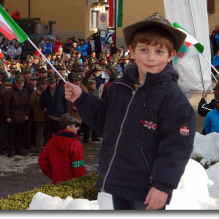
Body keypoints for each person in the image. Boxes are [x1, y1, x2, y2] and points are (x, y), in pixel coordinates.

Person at [65, 12, 195, 210]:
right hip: (118, 182)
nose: (151, 57)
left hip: (148, 188)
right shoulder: (120, 88)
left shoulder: (173, 99)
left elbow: (176, 148)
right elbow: (103, 120)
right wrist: (81, 99)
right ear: (132, 52)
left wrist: (163, 186)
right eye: (144, 50)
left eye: (159, 52)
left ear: (171, 55)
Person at [38, 113, 86, 185]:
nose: (78, 128)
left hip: (56, 184)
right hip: (72, 185)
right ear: (68, 127)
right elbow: (78, 167)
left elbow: (42, 161)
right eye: (76, 126)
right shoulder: (76, 144)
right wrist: (83, 183)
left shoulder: (51, 142)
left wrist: (53, 175)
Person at [4, 75, 30, 157]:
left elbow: (27, 104)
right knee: (11, 134)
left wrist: (26, 114)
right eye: (18, 83)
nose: (20, 85)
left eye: (21, 83)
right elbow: (6, 105)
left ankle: (19, 148)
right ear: (15, 83)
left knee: (19, 133)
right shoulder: (10, 92)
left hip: (21, 115)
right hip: (12, 115)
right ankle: (11, 149)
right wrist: (7, 116)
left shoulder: (25, 91)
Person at [30, 77, 48, 151]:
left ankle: (45, 144)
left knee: (46, 131)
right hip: (39, 114)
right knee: (40, 131)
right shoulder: (35, 93)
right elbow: (31, 103)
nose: (43, 86)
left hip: (47, 115)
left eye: (45, 84)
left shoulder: (48, 92)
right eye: (42, 84)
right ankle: (39, 146)